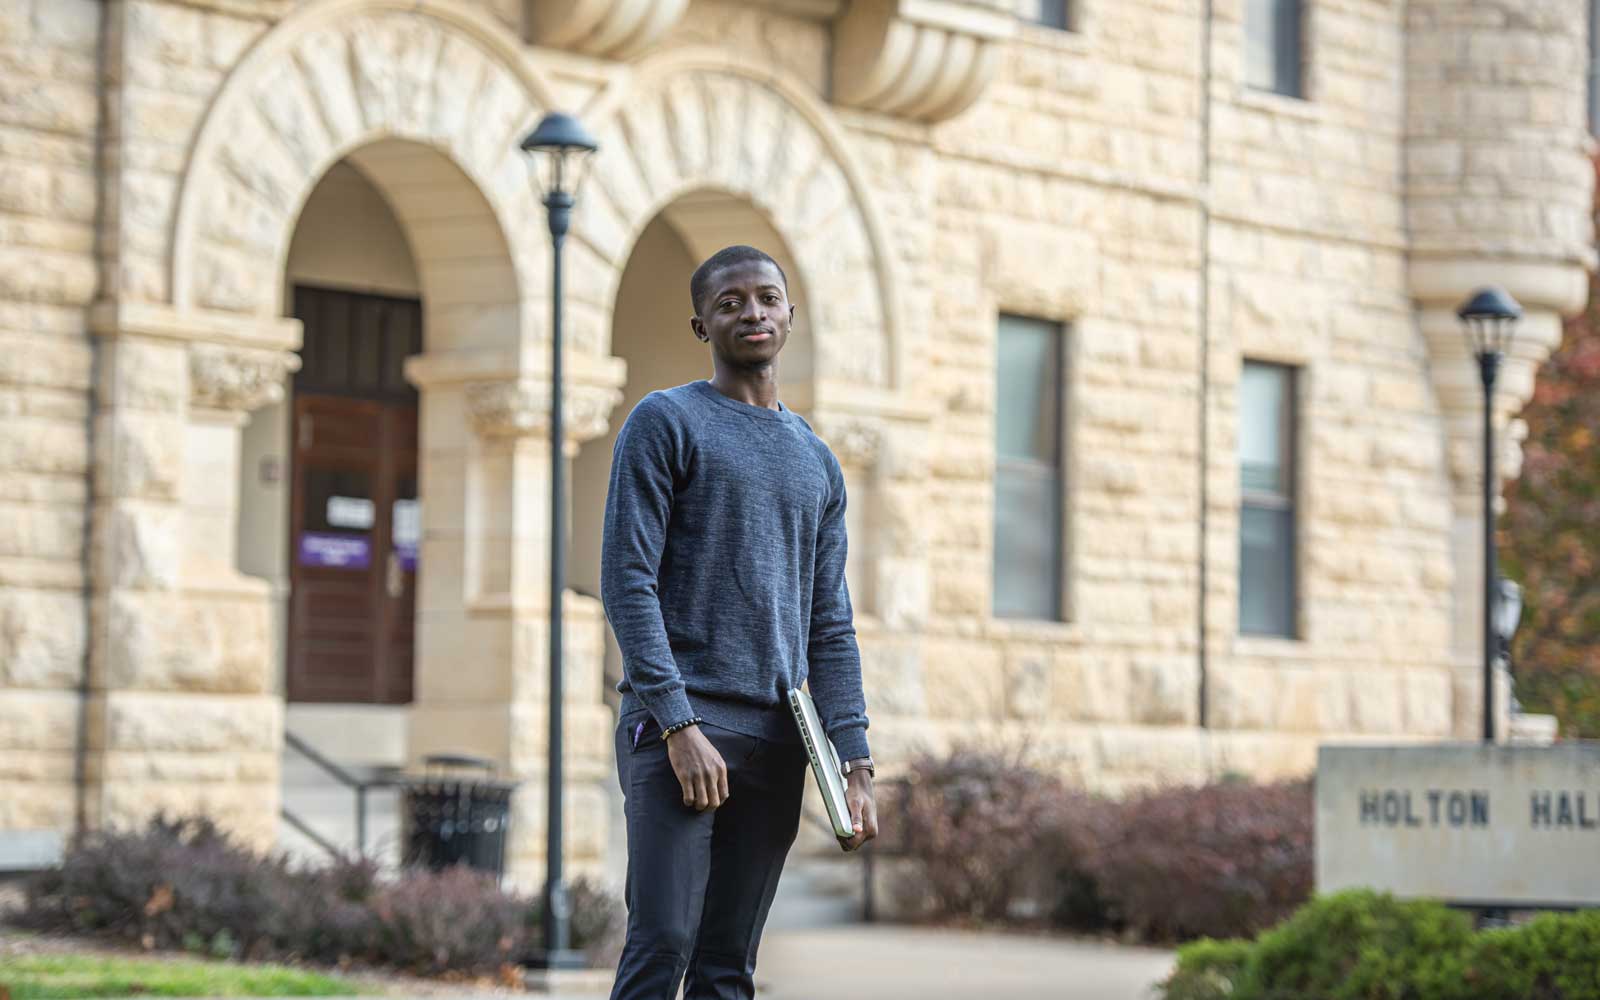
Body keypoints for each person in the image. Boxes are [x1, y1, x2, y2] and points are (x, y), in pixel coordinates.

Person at [600, 244, 878, 999]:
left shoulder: (817, 460)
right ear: (702, 325)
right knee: (663, 942)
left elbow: (830, 622)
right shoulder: (667, 421)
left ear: (791, 313)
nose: (750, 312)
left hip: (778, 741)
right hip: (679, 731)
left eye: (765, 298)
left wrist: (853, 758)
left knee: (729, 965)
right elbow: (627, 583)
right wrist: (677, 724)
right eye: (729, 304)